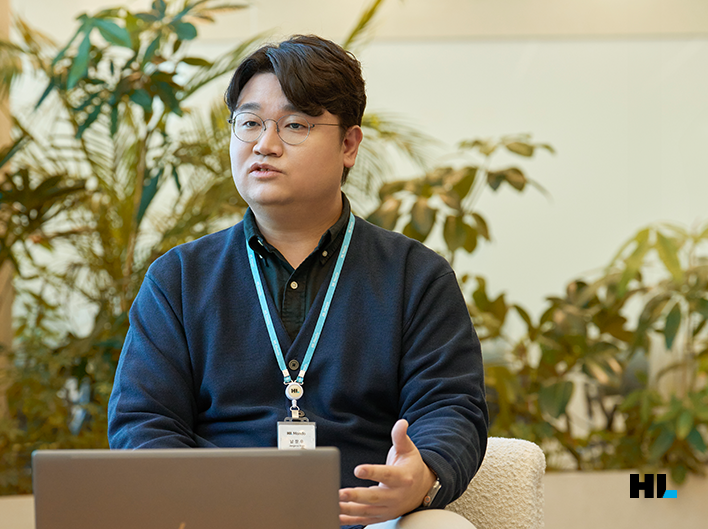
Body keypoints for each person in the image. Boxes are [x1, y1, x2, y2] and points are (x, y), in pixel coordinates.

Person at [107, 35, 488, 528]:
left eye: (294, 125)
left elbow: (450, 405)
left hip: (364, 515)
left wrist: (422, 475)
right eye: (249, 123)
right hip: (216, 516)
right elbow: (143, 420)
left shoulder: (416, 276)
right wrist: (194, 500)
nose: (264, 145)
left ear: (349, 145)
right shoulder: (178, 278)